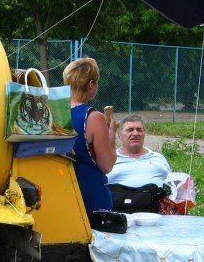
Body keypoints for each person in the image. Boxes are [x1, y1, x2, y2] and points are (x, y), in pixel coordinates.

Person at [63, 57, 118, 218]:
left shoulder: (55, 112)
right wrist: (112, 134)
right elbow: (107, 165)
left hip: (64, 193)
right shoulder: (94, 117)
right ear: (91, 84)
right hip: (91, 195)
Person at [107, 114, 172, 188]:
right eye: (130, 130)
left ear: (144, 134)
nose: (135, 133)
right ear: (119, 135)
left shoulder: (158, 158)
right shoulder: (110, 160)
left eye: (139, 130)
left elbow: (173, 184)